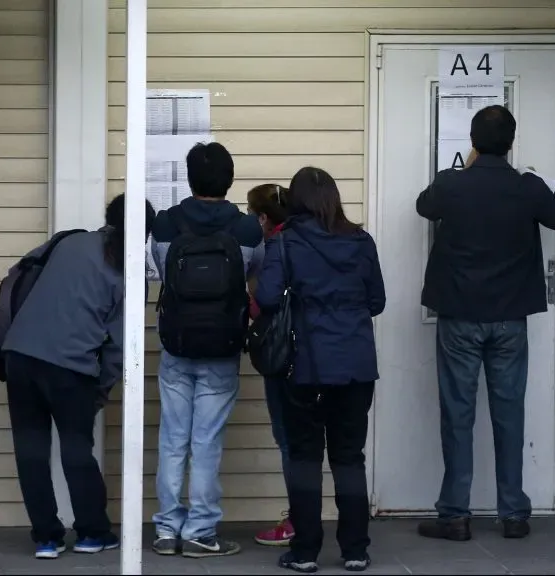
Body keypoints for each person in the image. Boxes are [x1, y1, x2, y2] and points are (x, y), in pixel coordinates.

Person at [415, 105, 555, 541]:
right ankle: (514, 514)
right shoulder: (526, 186)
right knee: (509, 414)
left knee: (458, 414)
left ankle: (455, 515)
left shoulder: (453, 184)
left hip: (460, 316)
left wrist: (466, 167)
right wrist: (539, 174)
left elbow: (423, 206)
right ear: (511, 142)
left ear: (472, 140)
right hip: (509, 319)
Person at [1, 194, 155, 559]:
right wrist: (100, 390)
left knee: (31, 449)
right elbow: (121, 345)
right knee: (75, 448)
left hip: (19, 353)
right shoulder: (130, 268)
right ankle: (91, 533)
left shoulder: (68, 241)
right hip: (69, 367)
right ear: (146, 232)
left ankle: (46, 539)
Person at [255, 166, 385, 573]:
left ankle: (306, 551)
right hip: (356, 366)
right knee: (349, 458)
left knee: (306, 458)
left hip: (305, 365)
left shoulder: (286, 243)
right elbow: (376, 301)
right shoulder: (361, 241)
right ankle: (355, 550)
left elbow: (268, 297)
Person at [149, 142, 263, 558]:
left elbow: (163, 273)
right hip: (222, 345)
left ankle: (166, 530)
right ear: (229, 179)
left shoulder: (165, 224)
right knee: (206, 440)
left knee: (172, 438)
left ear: (189, 177)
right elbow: (255, 278)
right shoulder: (248, 229)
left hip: (176, 343)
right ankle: (200, 530)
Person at [246, 183, 296, 547]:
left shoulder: (274, 247)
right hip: (320, 354)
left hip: (283, 354)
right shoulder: (317, 238)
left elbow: (265, 301)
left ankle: (297, 518)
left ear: (263, 217)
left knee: (288, 439)